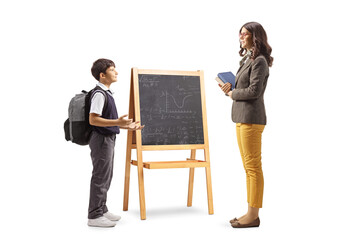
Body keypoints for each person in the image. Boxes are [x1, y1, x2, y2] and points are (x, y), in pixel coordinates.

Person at [219, 22, 273, 228]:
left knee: (253, 168)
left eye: (245, 34)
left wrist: (233, 93)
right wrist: (229, 88)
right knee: (248, 168)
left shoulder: (259, 61)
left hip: (252, 118)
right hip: (241, 117)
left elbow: (254, 92)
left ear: (255, 37)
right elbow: (243, 88)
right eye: (240, 34)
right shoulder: (248, 59)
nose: (241, 37)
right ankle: (249, 212)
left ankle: (253, 215)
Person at [87, 58, 144, 227]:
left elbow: (109, 122)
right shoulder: (99, 93)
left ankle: (102, 209)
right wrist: (118, 123)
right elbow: (93, 120)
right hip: (101, 140)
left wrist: (128, 126)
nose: (116, 72)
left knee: (107, 175)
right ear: (102, 75)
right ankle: (94, 216)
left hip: (108, 138)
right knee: (100, 176)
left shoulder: (107, 93)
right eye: (112, 70)